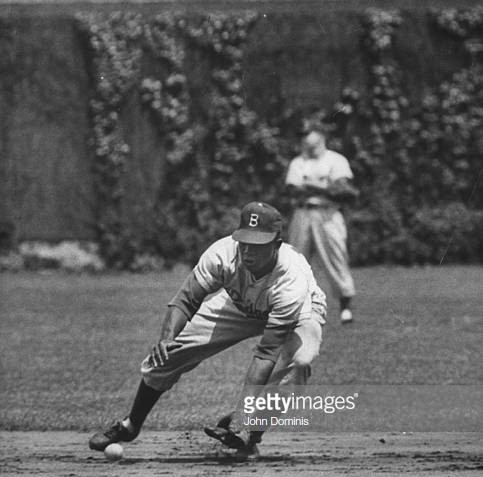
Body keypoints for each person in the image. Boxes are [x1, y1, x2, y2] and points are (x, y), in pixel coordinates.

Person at [89, 201, 327, 457]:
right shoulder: (222, 254)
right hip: (239, 303)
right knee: (168, 352)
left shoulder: (291, 279)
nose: (247, 251)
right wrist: (167, 338)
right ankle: (131, 425)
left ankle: (249, 432)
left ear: (276, 244)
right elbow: (186, 299)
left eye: (257, 245)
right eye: (244, 241)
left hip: (298, 311)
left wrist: (243, 416)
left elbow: (266, 354)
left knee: (300, 364)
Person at [285, 126, 359, 324]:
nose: (309, 149)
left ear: (322, 141)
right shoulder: (299, 162)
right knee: (296, 261)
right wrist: (326, 186)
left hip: (328, 214)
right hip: (303, 212)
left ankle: (346, 307)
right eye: (306, 145)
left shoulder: (336, 160)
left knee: (336, 257)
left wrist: (313, 186)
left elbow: (343, 190)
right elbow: (294, 189)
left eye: (313, 145)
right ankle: (297, 309)